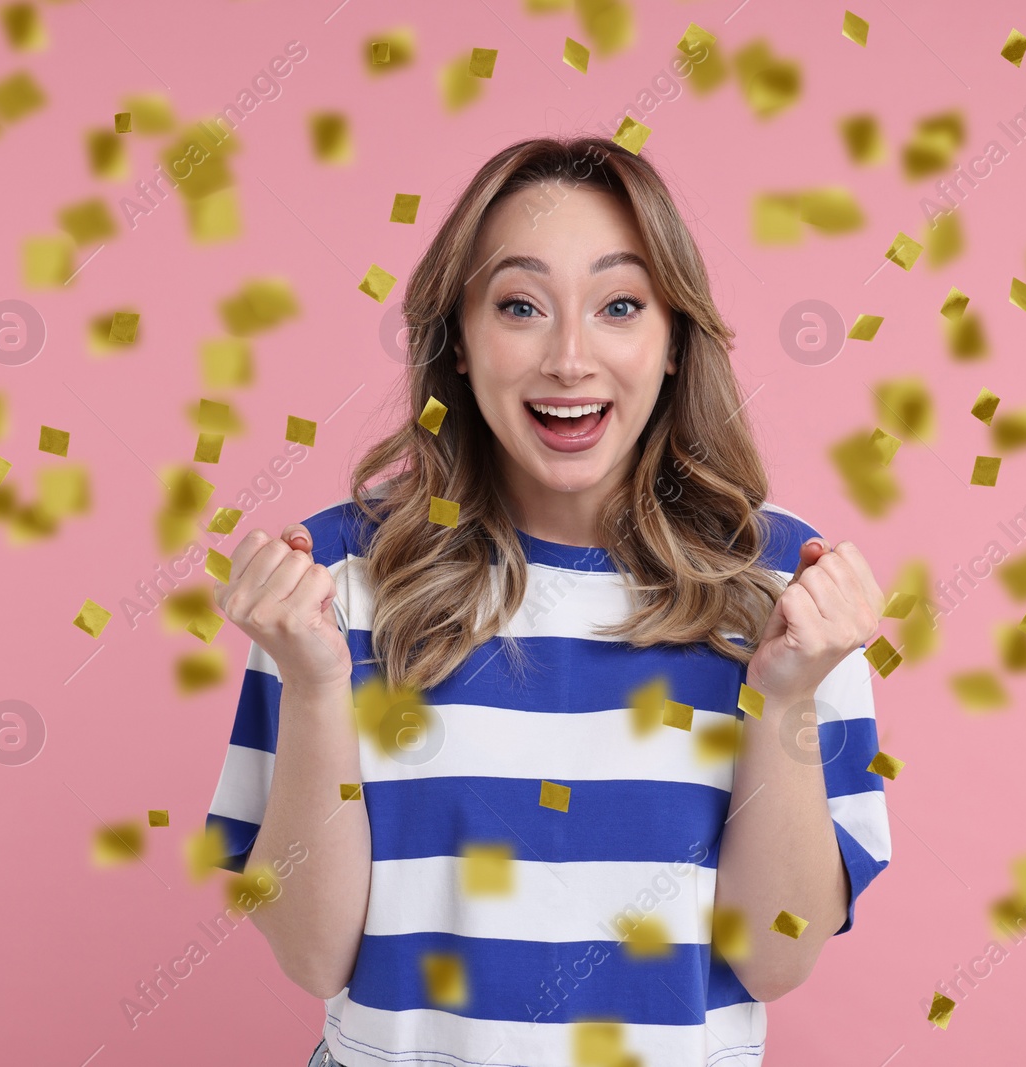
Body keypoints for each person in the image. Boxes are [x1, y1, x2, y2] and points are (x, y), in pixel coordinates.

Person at [205, 135, 893, 1067]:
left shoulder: (781, 587)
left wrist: (788, 693)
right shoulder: (330, 579)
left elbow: (774, 956)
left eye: (619, 306)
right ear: (457, 337)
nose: (570, 359)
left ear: (674, 341)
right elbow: (312, 953)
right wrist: (318, 682)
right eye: (521, 306)